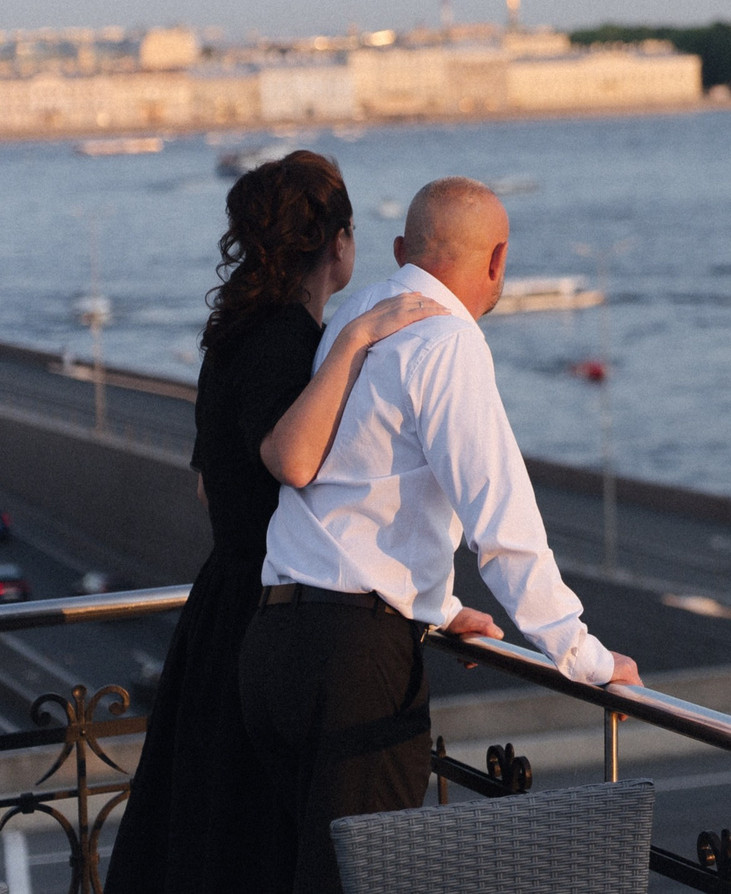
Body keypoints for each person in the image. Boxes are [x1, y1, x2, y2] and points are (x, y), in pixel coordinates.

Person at [238, 177, 641, 894]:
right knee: (362, 883)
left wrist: (437, 601)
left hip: (273, 641)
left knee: (287, 869)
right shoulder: (448, 339)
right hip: (353, 662)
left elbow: (363, 479)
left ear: (401, 250)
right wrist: (582, 654)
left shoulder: (355, 311)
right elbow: (500, 515)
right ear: (498, 262)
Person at [107, 152, 441, 894]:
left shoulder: (233, 332)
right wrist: (355, 343)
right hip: (271, 613)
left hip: (225, 607)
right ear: (340, 242)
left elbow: (208, 486)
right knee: (264, 845)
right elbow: (293, 462)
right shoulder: (292, 340)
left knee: (211, 835)